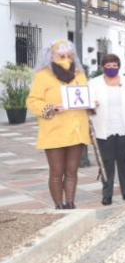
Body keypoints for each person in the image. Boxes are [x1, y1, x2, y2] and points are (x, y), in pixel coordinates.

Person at [26, 40, 90, 210]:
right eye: (61, 56)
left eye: (69, 56)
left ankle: (70, 202)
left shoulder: (79, 74)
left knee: (72, 170)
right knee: (56, 171)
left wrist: (91, 103)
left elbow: (85, 96)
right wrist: (50, 108)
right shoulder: (43, 75)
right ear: (51, 56)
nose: (66, 59)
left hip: (76, 130)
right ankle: (58, 204)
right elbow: (32, 101)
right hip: (54, 131)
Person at [89, 54, 125, 206]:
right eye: (108, 65)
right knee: (107, 163)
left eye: (114, 65)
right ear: (103, 66)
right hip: (103, 128)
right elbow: (86, 105)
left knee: (124, 162)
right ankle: (107, 194)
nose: (111, 68)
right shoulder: (93, 83)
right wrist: (92, 105)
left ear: (119, 67)